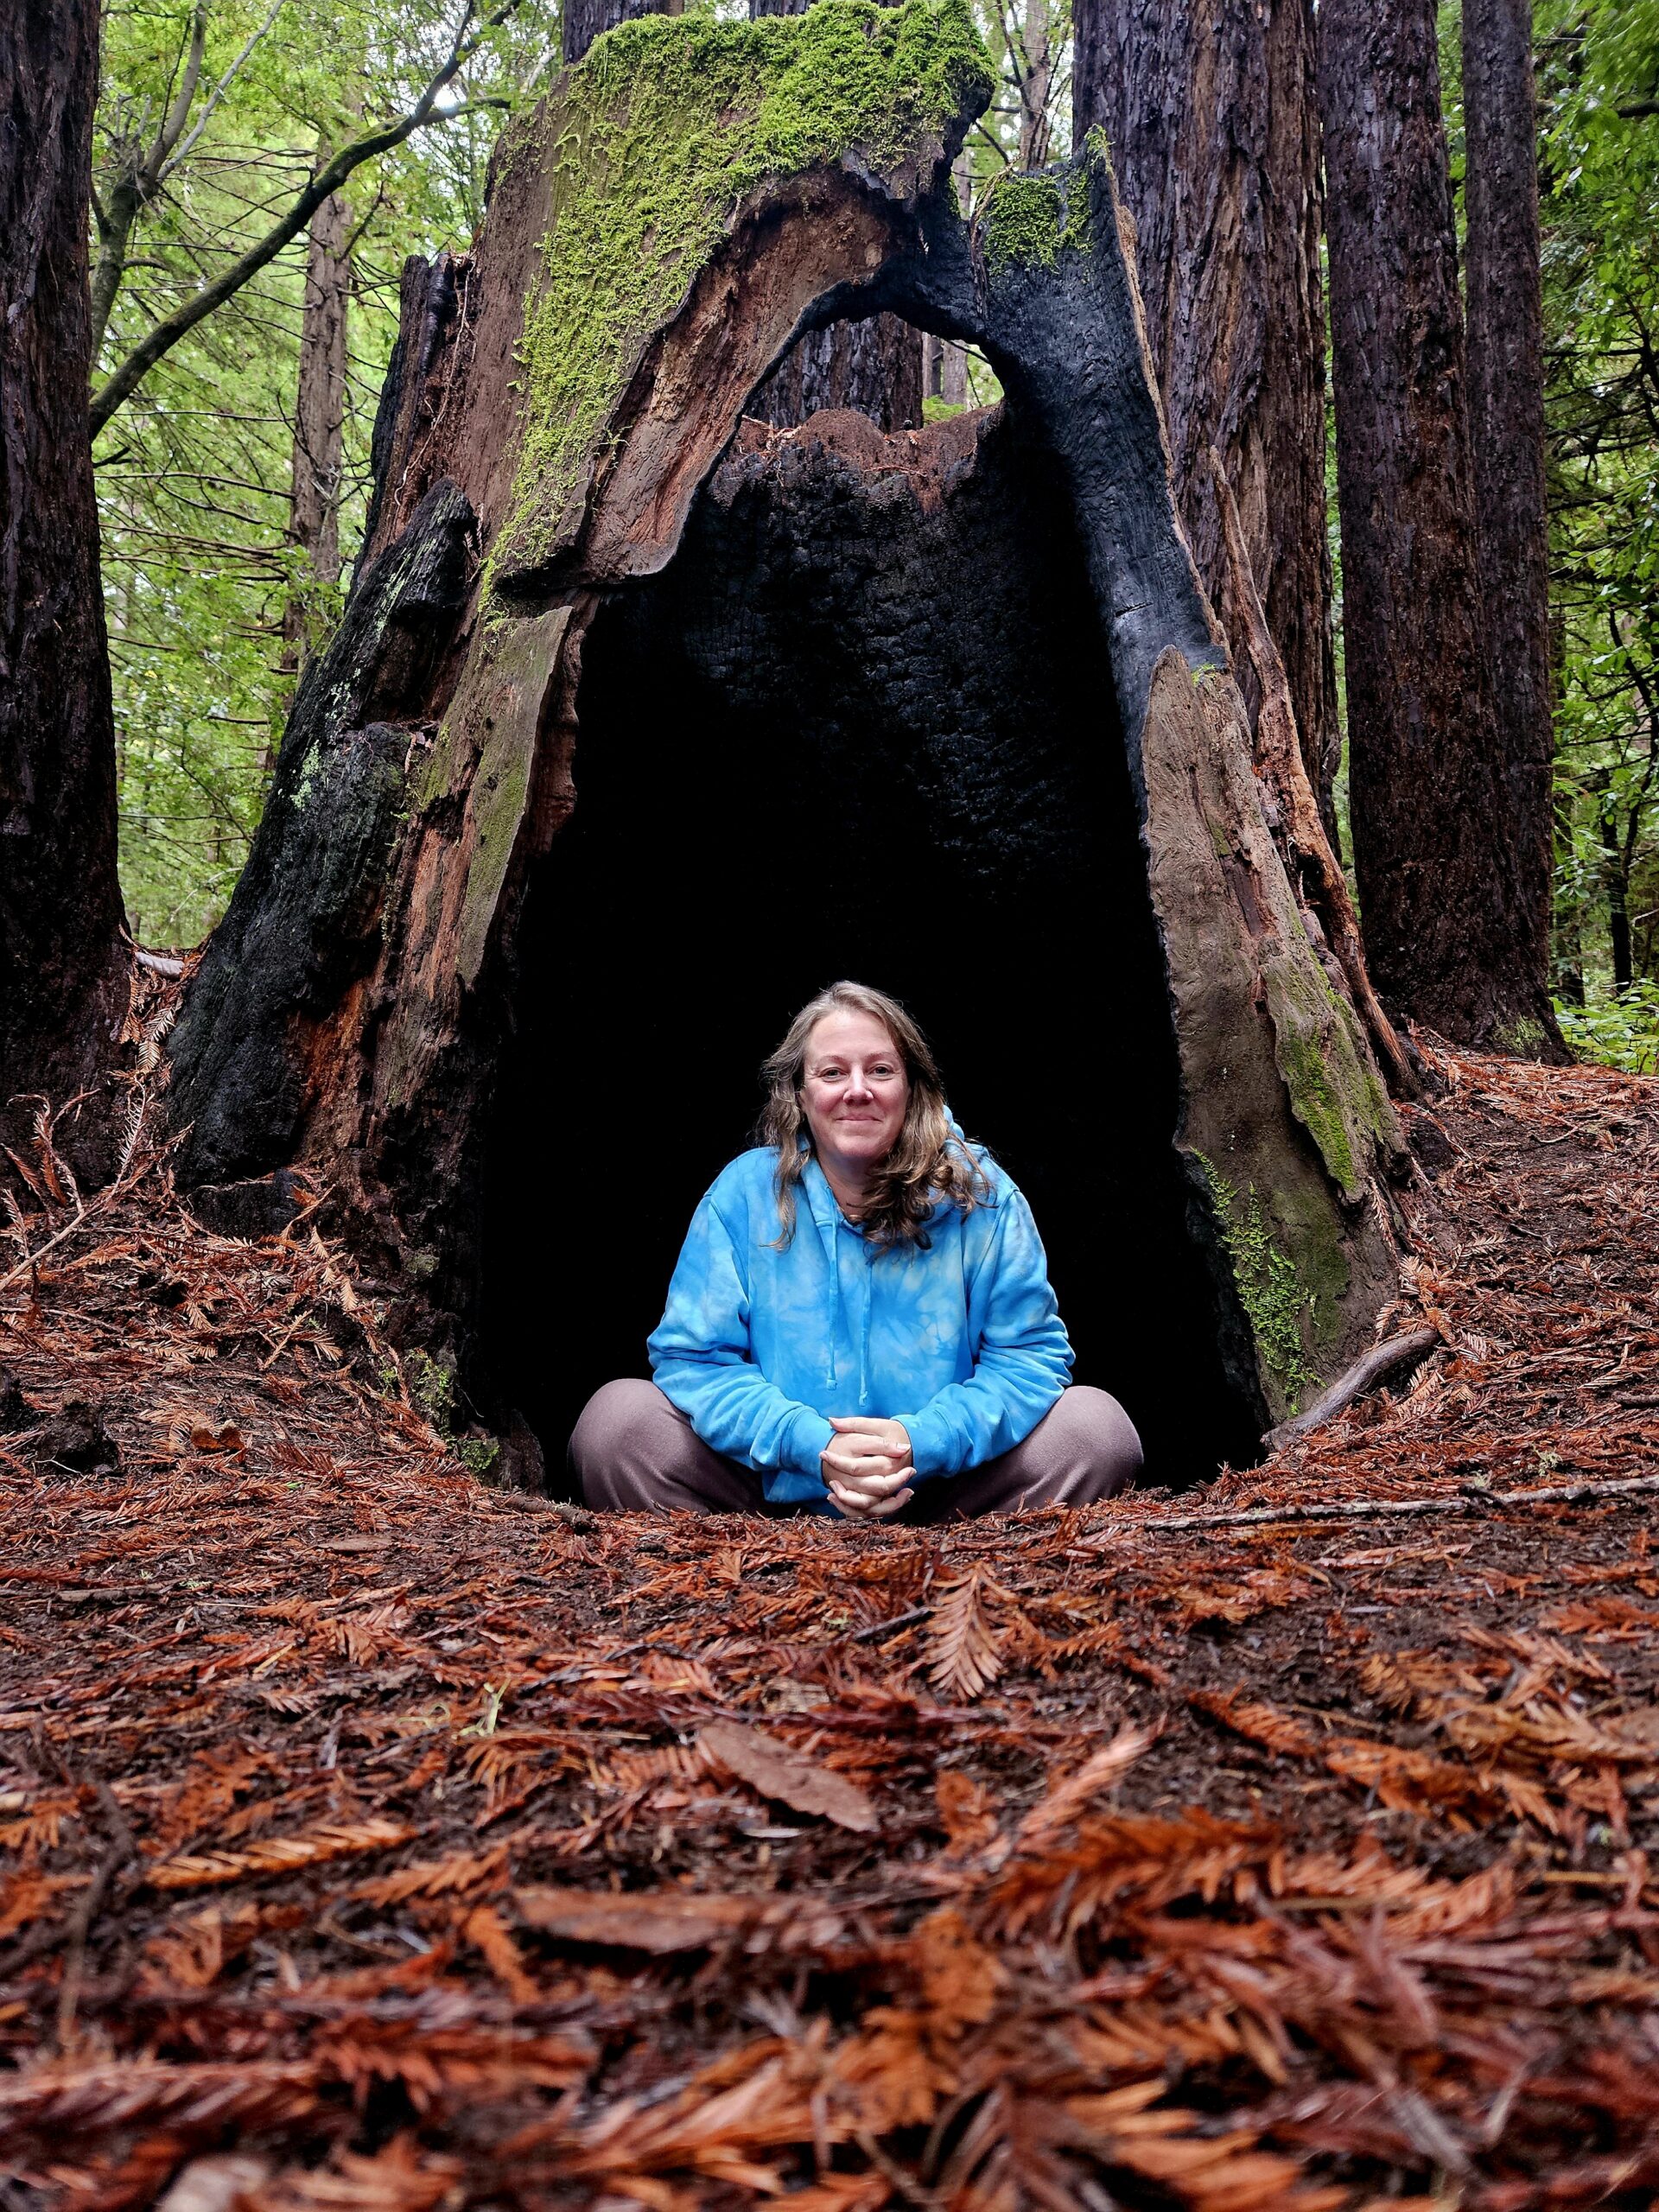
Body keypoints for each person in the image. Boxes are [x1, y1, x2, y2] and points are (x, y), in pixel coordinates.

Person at [569, 982, 1142, 1520]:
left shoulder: (981, 1196)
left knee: (1095, 1430)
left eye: (881, 1070)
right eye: (832, 1072)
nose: (858, 1089)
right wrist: (812, 1446)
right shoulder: (744, 1195)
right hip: (768, 1501)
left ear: (911, 1087)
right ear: (800, 1094)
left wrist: (919, 1441)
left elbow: (1028, 1358)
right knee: (618, 1423)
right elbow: (694, 1358)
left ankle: (971, 1574)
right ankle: (745, 1577)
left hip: (950, 1500)